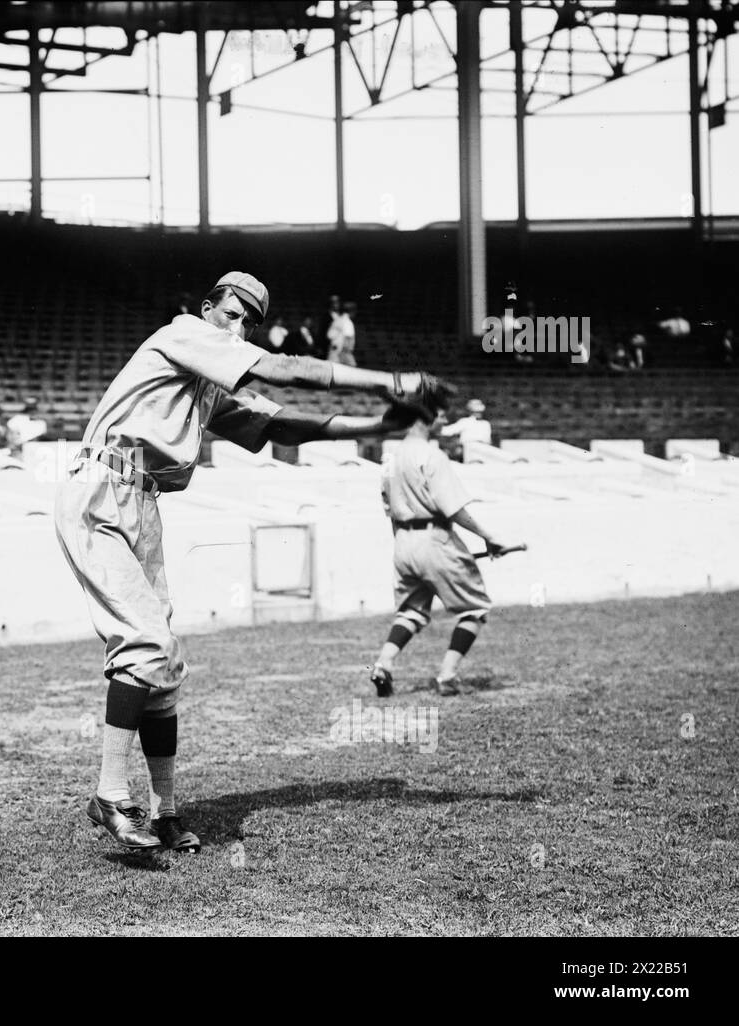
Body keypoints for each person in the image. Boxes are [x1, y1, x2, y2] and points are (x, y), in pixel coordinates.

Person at [54, 270, 451, 853]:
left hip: (142, 499)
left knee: (164, 669)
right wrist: (394, 380)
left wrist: (375, 425)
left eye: (249, 321)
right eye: (231, 312)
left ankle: (164, 812)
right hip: (101, 487)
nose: (238, 326)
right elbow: (285, 368)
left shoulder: (211, 380)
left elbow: (278, 423)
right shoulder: (183, 334)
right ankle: (111, 793)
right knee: (144, 646)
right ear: (207, 306)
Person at [368, 401, 520, 699]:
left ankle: (383, 663)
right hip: (435, 537)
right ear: (424, 420)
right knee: (475, 609)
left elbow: (389, 509)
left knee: (411, 611)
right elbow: (454, 509)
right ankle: (447, 675)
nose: (444, 419)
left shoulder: (390, 458)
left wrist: (405, 544)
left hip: (403, 542)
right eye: (440, 414)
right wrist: (489, 537)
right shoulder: (432, 455)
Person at [6, 397, 47, 462]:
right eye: (30, 408)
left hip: (33, 451)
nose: (32, 411)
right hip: (17, 451)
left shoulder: (41, 423)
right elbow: (10, 436)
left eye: (33, 408)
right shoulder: (16, 419)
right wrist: (15, 445)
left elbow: (40, 439)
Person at [327, 300, 357, 365]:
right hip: (340, 355)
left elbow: (329, 335)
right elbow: (347, 343)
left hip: (332, 353)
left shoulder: (337, 320)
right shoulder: (348, 322)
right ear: (352, 311)